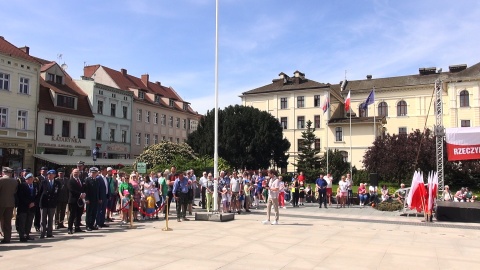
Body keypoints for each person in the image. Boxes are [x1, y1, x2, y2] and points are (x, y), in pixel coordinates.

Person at [38, 169, 61, 238]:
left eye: (51, 175)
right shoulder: (43, 182)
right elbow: (40, 192)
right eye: (48, 174)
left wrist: (56, 201)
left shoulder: (57, 183)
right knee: (43, 219)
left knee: (50, 219)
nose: (49, 176)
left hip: (52, 203)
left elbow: (58, 193)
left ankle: (49, 233)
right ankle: (42, 233)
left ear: (54, 175)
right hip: (44, 203)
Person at [16, 173, 37, 242]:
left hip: (32, 207)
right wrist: (28, 203)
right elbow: (21, 196)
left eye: (32, 179)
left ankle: (27, 234)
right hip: (23, 207)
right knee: (22, 222)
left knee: (29, 222)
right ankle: (22, 236)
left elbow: (37, 195)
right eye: (29, 179)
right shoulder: (22, 185)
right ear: (26, 180)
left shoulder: (35, 185)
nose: (31, 180)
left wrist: (34, 203)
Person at [0, 167, 19, 243]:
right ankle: (7, 238)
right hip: (10, 203)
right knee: (8, 222)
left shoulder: (1, 180)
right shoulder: (15, 181)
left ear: (4, 172)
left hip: (1, 203)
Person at [67, 168, 86, 234]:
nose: (76, 173)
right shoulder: (70, 181)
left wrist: (84, 193)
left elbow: (83, 188)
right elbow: (71, 190)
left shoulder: (81, 180)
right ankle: (70, 228)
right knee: (72, 215)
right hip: (73, 200)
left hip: (80, 200)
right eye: (75, 172)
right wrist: (80, 194)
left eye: (77, 172)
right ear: (72, 173)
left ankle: (77, 227)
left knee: (79, 214)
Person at [85, 167, 100, 231]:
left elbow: (97, 190)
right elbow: (86, 190)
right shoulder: (87, 180)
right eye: (92, 172)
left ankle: (92, 224)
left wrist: (99, 198)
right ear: (90, 173)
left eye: (95, 173)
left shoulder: (96, 180)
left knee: (94, 213)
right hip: (90, 199)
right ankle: (88, 225)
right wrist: (86, 199)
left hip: (95, 199)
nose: (94, 174)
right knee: (89, 213)